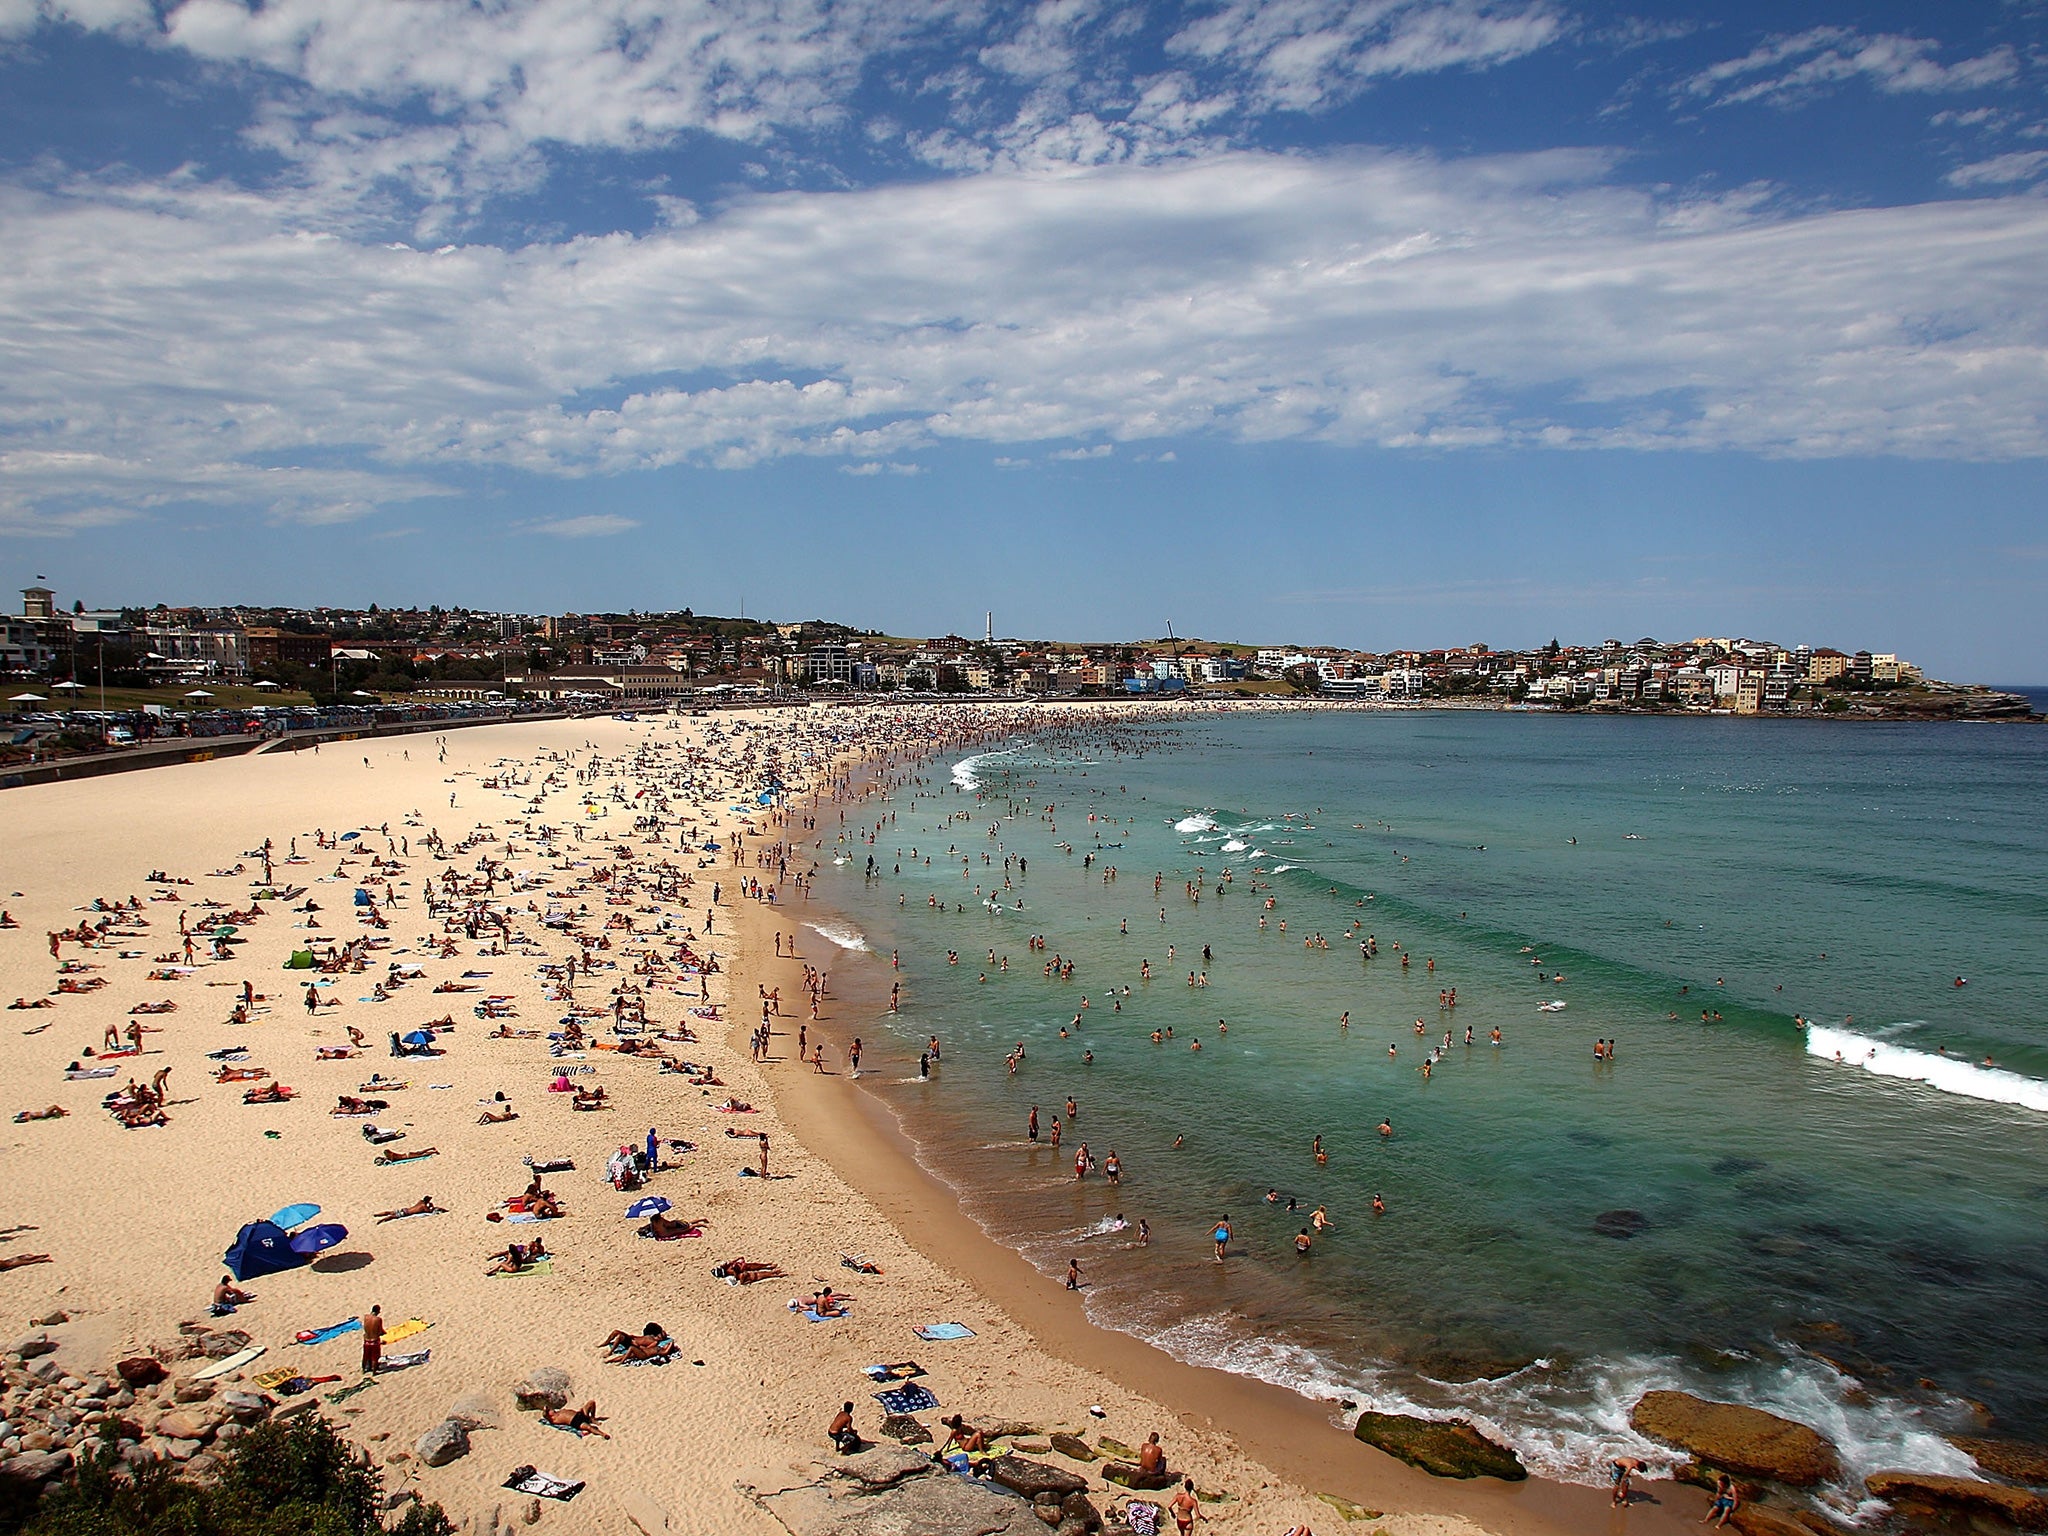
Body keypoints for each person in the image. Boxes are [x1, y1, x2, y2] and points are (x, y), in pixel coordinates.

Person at [542, 1400, 611, 1438]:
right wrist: (545, 1410)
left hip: (580, 1414)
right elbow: (545, 1415)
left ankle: (592, 1418)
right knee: (589, 1427)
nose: (551, 1409)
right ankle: (603, 1434)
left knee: (591, 1403)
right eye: (549, 1410)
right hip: (575, 1421)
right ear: (549, 1415)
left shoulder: (560, 1411)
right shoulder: (554, 1419)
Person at [361, 1304, 385, 1374]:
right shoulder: (378, 1319)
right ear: (377, 1311)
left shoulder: (366, 1317)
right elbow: (380, 1331)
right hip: (374, 1341)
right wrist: (384, 1333)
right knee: (375, 1357)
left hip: (366, 1340)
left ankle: (363, 1370)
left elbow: (365, 1327)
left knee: (365, 1356)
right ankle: (374, 1371)